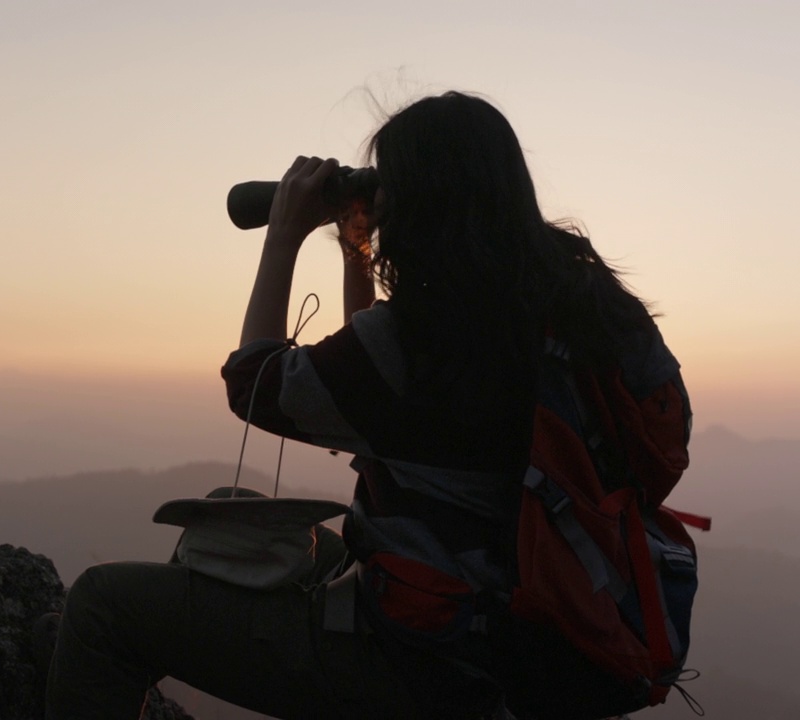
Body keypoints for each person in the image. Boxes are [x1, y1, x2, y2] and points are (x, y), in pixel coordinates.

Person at [43, 91, 678, 720]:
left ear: (417, 207)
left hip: (424, 661)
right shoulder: (599, 311)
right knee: (233, 521)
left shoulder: (426, 334)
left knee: (103, 605)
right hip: (529, 633)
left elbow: (255, 384)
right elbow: (387, 407)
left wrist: (284, 237)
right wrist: (357, 252)